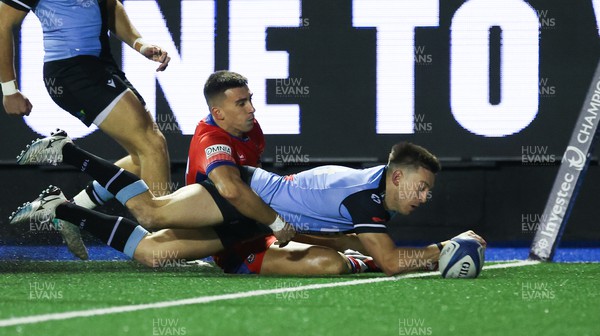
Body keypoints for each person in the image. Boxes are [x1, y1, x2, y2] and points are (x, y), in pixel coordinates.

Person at [10, 133, 486, 276]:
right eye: (421, 187)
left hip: (256, 225)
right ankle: (66, 150)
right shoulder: (367, 196)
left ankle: (63, 209)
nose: (424, 197)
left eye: (429, 193)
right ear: (397, 176)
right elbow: (387, 261)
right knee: (151, 211)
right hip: (244, 196)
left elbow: (346, 240)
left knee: (155, 254)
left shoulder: (375, 196)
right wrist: (442, 249)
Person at [0, 0, 172, 259]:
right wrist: (9, 90)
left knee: (142, 154)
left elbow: (110, 6)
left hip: (100, 65)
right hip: (72, 71)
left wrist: (140, 44)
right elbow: (3, 23)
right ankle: (168, 243)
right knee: (152, 144)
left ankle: (68, 211)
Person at [184, 70, 376, 274]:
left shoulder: (250, 129)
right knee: (331, 263)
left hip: (256, 225)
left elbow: (257, 185)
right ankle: (362, 263)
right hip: (232, 241)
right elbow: (232, 191)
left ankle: (355, 253)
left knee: (352, 240)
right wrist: (276, 222)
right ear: (218, 113)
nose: (252, 109)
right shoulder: (211, 140)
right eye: (241, 104)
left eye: (250, 100)